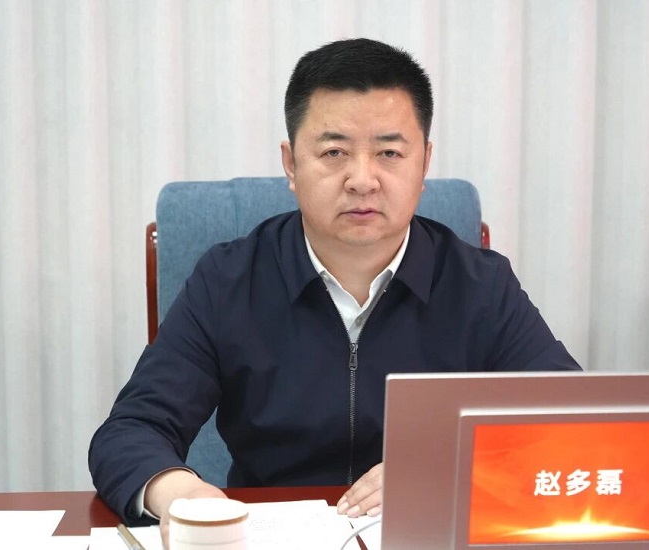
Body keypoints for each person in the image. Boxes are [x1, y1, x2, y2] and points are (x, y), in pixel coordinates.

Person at [89, 37, 580, 546]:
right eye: (334, 152)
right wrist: (186, 498)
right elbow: (131, 431)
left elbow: (573, 424)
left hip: (425, 532)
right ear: (291, 164)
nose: (362, 180)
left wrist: (453, 465)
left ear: (424, 163)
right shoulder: (229, 280)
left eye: (389, 152)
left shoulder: (479, 286)